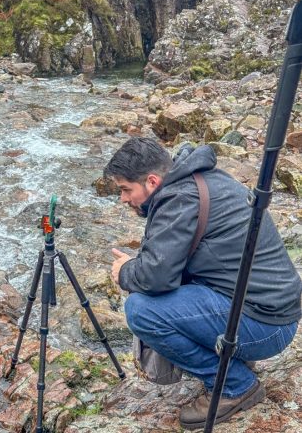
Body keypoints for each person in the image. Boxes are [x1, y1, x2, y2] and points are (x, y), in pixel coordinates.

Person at [105, 137, 301, 430]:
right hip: (275, 316)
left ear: (152, 181)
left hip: (266, 326)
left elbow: (154, 277)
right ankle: (235, 364)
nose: (123, 199)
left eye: (125, 190)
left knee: (141, 310)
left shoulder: (179, 199)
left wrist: (124, 272)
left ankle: (235, 385)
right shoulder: (198, 179)